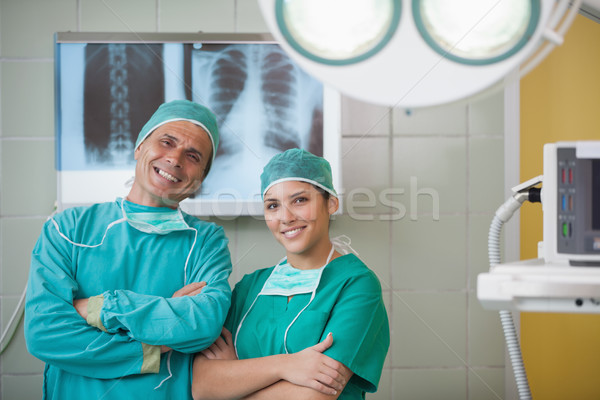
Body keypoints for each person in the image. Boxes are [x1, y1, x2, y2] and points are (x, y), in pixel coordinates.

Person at [25, 100, 233, 399]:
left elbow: (204, 323)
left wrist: (98, 307)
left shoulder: (206, 241)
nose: (175, 159)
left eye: (192, 156)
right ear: (139, 147)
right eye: (166, 142)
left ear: (200, 178)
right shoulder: (68, 228)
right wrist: (158, 342)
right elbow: (45, 334)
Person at [191, 148, 390, 399]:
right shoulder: (248, 287)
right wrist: (286, 366)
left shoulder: (356, 285)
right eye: (273, 205)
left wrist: (235, 380)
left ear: (331, 203)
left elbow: (315, 395)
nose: (285, 217)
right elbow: (202, 386)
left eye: (299, 200)